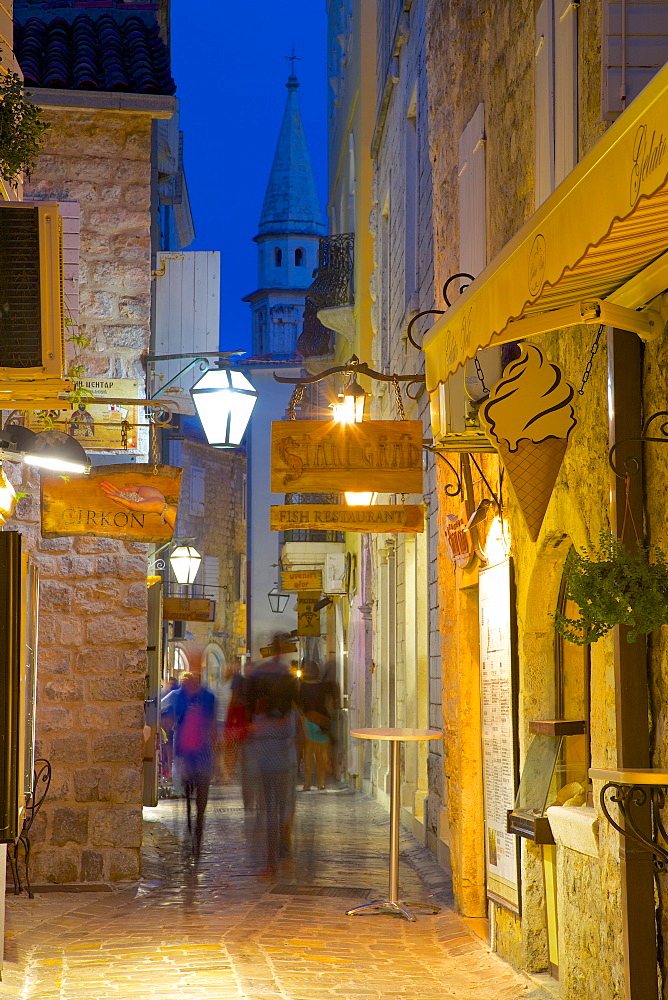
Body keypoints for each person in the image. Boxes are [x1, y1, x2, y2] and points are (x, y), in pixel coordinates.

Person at [246, 639, 299, 873]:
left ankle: (270, 858)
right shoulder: (289, 719)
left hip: (265, 764)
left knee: (269, 808)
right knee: (284, 807)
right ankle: (283, 848)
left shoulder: (258, 722)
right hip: (284, 763)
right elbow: (295, 736)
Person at [169, 670, 216, 858]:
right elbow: (176, 723)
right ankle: (191, 825)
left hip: (201, 753)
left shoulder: (208, 698)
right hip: (187, 753)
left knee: (201, 797)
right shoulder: (180, 697)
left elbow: (211, 726)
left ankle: (198, 828)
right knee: (189, 794)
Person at [298, 661, 331, 791]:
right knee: (321, 754)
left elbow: (299, 706)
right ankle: (321, 782)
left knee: (308, 754)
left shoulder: (302, 687)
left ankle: (307, 783)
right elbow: (328, 704)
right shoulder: (324, 687)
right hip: (322, 722)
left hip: (307, 721)